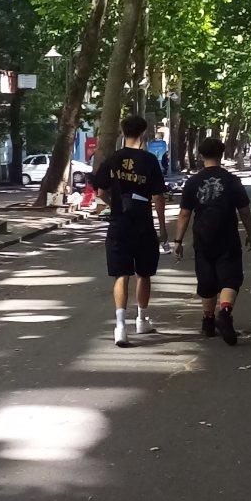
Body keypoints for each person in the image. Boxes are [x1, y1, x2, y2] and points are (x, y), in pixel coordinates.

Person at [91, 114, 168, 347]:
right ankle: (142, 320)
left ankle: (120, 327)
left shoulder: (112, 159)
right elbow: (158, 196)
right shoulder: (149, 161)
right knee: (144, 273)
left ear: (122, 133)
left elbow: (100, 191)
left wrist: (115, 201)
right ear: (143, 135)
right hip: (142, 224)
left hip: (118, 223)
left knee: (121, 274)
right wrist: (162, 227)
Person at [174, 136, 251, 345]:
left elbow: (184, 214)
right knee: (231, 278)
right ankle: (225, 313)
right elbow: (244, 210)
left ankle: (208, 321)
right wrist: (250, 233)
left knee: (207, 279)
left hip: (202, 237)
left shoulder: (192, 182)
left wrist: (178, 240)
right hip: (227, 235)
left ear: (201, 156)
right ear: (221, 153)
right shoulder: (232, 180)